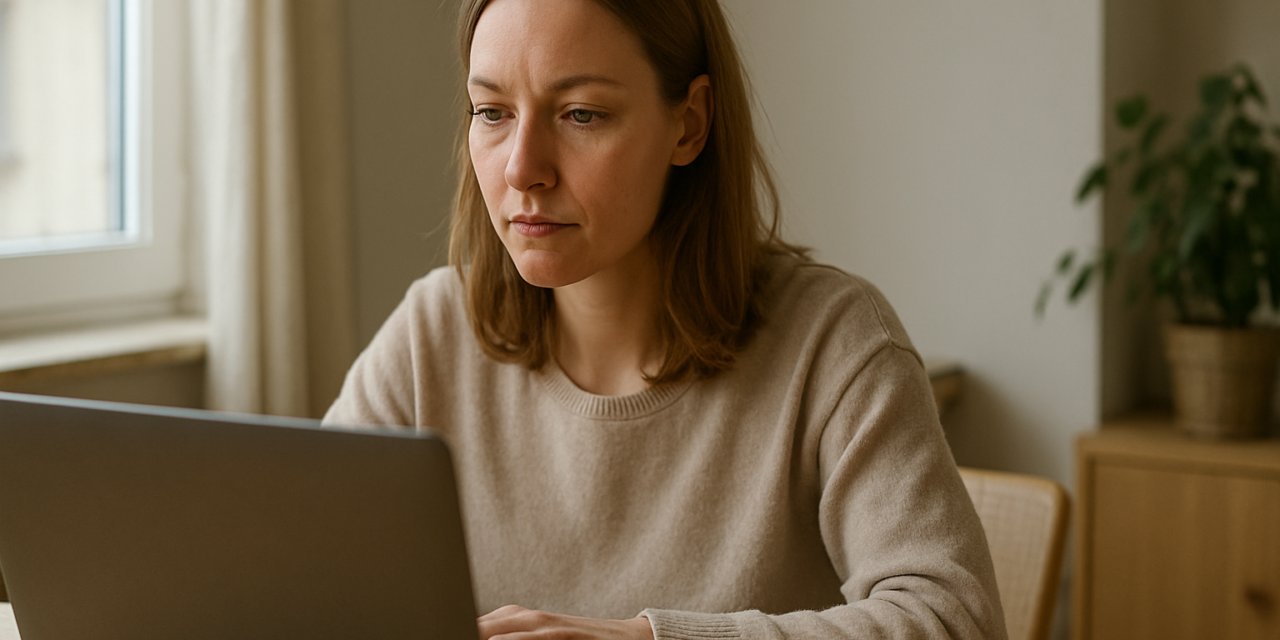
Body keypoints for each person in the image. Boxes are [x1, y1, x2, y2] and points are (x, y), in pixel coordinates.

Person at [323, 0, 1008, 638]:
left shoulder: (833, 342)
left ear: (690, 123)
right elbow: (301, 575)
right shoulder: (432, 333)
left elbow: (952, 619)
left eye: (581, 114)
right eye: (492, 112)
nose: (523, 168)